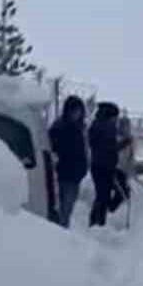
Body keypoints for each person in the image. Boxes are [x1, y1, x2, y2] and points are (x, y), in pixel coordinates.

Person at [48, 96, 88, 228]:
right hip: (63, 175)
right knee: (62, 212)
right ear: (68, 111)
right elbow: (52, 150)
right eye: (75, 111)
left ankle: (62, 235)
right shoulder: (60, 128)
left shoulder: (79, 128)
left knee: (67, 210)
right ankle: (60, 238)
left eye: (79, 111)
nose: (77, 114)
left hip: (74, 176)